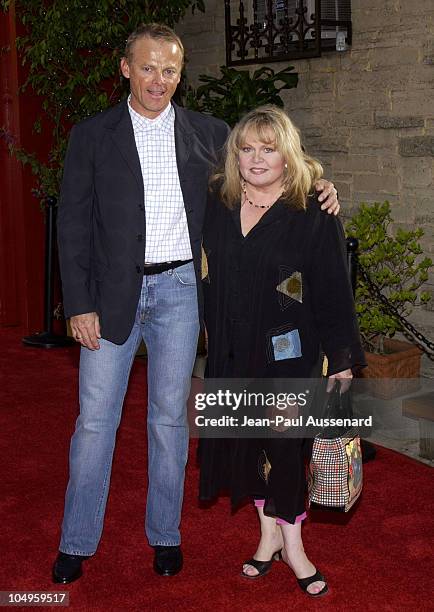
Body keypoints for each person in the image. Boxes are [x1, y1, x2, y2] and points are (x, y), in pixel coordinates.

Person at [53, 23, 339, 584]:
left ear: (180, 76)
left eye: (169, 69)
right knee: (94, 423)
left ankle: (165, 536)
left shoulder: (209, 132)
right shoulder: (91, 135)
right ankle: (76, 542)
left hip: (182, 291)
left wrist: (321, 185)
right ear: (126, 69)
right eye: (148, 67)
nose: (158, 79)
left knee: (168, 421)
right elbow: (72, 225)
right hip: (110, 295)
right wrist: (78, 303)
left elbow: (264, 164)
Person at [198, 106, 365, 596]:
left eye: (268, 149)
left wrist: (344, 357)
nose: (256, 158)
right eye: (246, 148)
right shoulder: (218, 200)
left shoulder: (312, 210)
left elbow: (333, 288)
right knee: (247, 448)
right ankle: (267, 537)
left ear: (287, 156)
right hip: (231, 352)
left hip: (290, 355)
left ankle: (295, 547)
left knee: (288, 450)